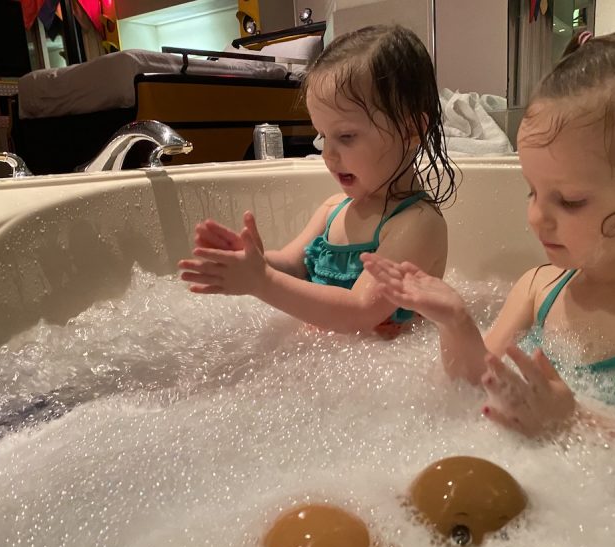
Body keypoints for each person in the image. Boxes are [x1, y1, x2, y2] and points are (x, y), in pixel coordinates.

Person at [363, 30, 615, 436]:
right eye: (533, 191)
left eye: (569, 201)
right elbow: (477, 386)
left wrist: (572, 426)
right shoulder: (539, 288)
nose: (536, 217)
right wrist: (456, 322)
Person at [178, 24, 456, 334]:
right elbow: (291, 265)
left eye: (346, 136)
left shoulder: (417, 224)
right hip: (327, 366)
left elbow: (361, 311)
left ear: (410, 130)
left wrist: (262, 281)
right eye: (323, 136)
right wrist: (254, 262)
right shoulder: (333, 209)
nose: (328, 154)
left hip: (384, 370)